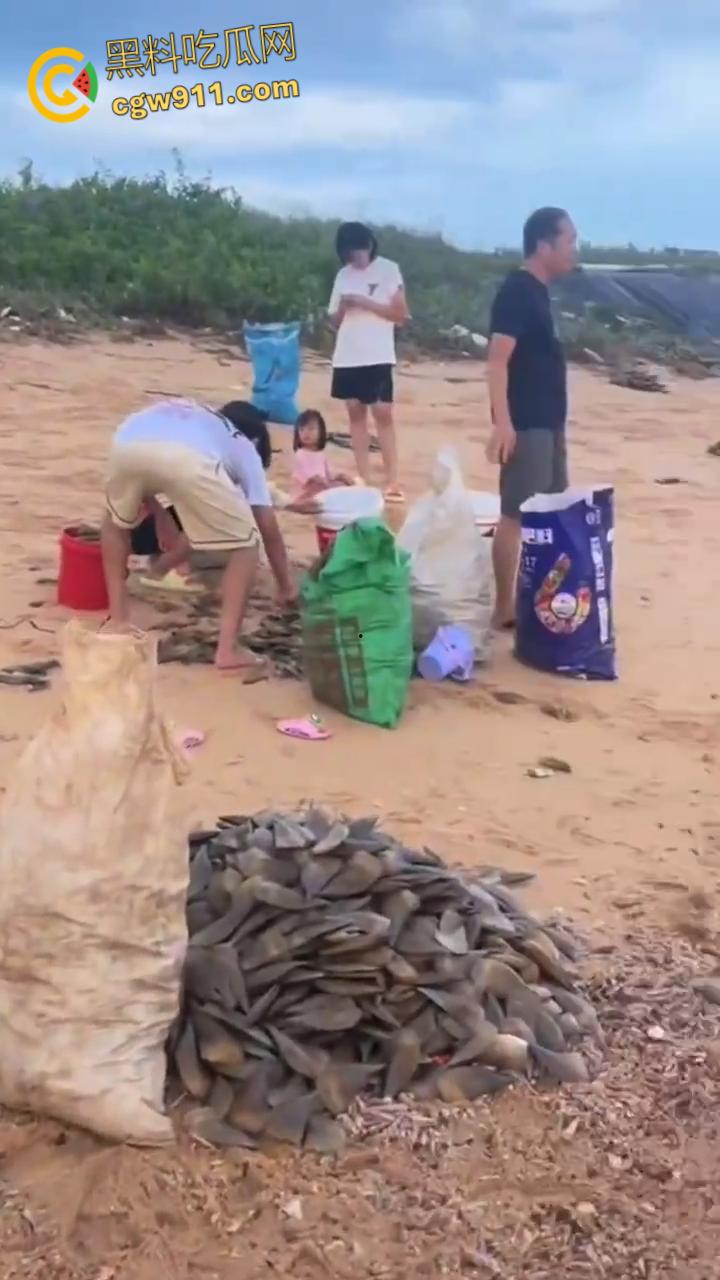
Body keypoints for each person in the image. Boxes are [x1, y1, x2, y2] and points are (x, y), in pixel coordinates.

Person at [101, 398, 312, 673]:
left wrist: (162, 521)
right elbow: (267, 526)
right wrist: (286, 587)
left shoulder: (207, 422)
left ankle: (118, 621)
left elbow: (154, 461)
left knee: (113, 525)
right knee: (246, 545)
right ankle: (228, 651)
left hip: (126, 441)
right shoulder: (245, 448)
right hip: (186, 460)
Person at [486, 207, 578, 629]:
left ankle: (541, 595)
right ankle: (504, 606)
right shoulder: (518, 291)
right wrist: (503, 424)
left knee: (552, 508)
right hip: (526, 424)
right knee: (515, 514)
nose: (574, 250)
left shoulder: (539, 292)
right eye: (569, 241)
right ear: (544, 245)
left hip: (550, 423)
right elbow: (497, 361)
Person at [328, 221, 409, 503]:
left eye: (361, 250)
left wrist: (364, 302)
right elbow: (335, 321)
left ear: (370, 245)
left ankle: (393, 480)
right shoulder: (343, 275)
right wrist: (343, 307)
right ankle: (364, 477)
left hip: (378, 353)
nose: (357, 257)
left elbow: (400, 314)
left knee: (382, 413)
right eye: (351, 252)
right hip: (348, 353)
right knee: (355, 414)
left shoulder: (388, 269)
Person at [291, 409, 351, 501]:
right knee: (316, 486)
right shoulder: (300, 454)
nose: (306, 433)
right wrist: (318, 480)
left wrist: (339, 477)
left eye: (311, 429)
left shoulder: (321, 454)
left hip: (322, 486)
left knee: (342, 483)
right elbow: (305, 477)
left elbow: (328, 474)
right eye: (301, 430)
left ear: (321, 431)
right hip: (306, 490)